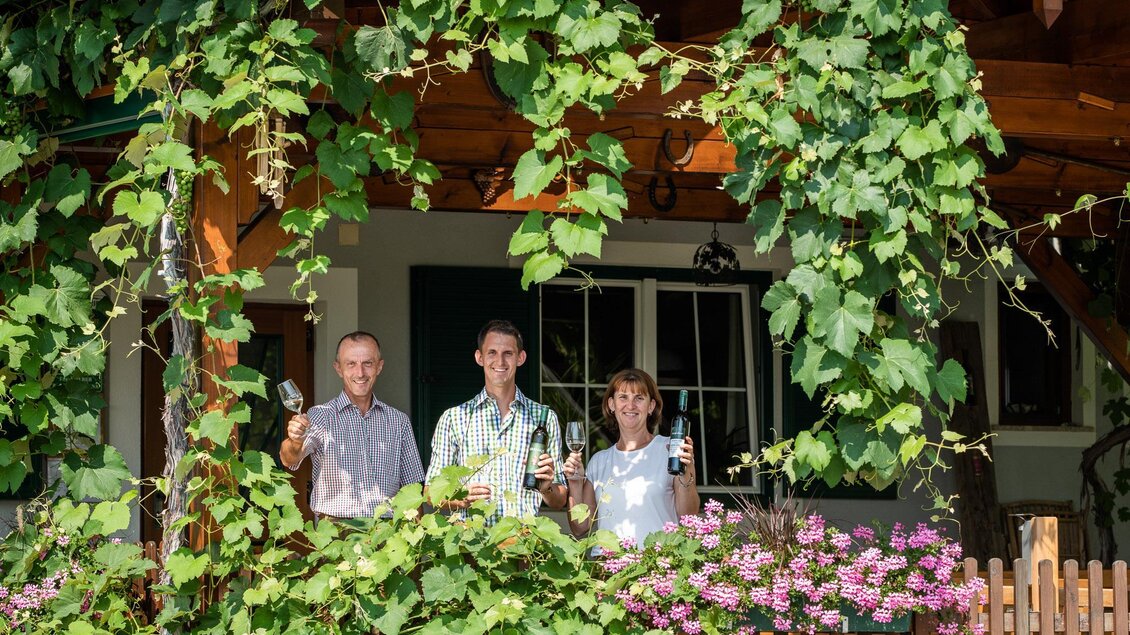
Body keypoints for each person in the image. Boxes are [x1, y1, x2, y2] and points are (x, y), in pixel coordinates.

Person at [425, 320, 566, 524]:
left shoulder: (544, 418)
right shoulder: (454, 418)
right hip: (472, 545)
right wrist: (461, 497)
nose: (500, 361)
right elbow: (431, 492)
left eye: (508, 353)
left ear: (521, 357)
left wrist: (547, 488)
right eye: (492, 352)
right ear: (479, 357)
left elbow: (559, 500)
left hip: (524, 544)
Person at [279, 331, 424, 520]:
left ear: (379, 366)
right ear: (338, 368)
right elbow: (289, 459)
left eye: (368, 363)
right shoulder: (320, 416)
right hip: (336, 527)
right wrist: (295, 441)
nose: (360, 373)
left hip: (388, 531)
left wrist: (417, 540)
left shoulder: (399, 421)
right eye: (351, 364)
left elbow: (413, 489)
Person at [564, 368, 699, 546]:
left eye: (639, 398)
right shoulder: (599, 461)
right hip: (609, 567)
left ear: (651, 406)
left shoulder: (670, 449)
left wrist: (686, 471)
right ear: (612, 405)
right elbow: (580, 528)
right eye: (623, 397)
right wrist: (574, 484)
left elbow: (688, 518)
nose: (631, 405)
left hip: (658, 565)